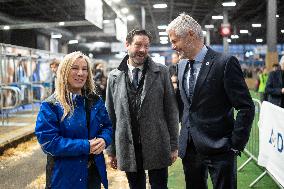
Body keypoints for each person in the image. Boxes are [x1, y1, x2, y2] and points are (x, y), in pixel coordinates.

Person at [166, 13, 255, 189]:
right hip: (190, 149)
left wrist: (235, 144)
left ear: (191, 34)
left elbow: (246, 107)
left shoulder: (225, 62)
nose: (173, 46)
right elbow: (186, 106)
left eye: (175, 41)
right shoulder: (181, 65)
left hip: (221, 149)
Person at [105, 29, 179, 189]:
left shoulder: (162, 72)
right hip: (127, 144)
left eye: (146, 46)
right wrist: (111, 149)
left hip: (157, 143)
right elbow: (110, 115)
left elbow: (171, 111)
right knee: (135, 186)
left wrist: (174, 145)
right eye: (138, 45)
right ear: (127, 45)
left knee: (159, 186)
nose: (143, 50)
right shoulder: (114, 76)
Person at [35, 51, 112, 189]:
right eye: (75, 68)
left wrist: (104, 139)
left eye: (84, 69)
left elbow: (107, 126)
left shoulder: (95, 101)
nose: (80, 73)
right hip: (65, 177)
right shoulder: (51, 105)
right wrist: (86, 146)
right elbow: (49, 142)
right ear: (64, 71)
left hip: (93, 175)